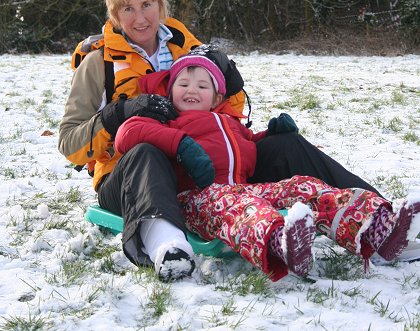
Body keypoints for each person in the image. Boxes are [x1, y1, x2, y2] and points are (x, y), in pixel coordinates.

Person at [58, 0, 399, 283]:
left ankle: (380, 220)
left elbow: (224, 118)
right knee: (146, 152)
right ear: (114, 15)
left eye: (145, 4)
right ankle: (167, 244)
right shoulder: (99, 63)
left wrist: (235, 97)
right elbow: (69, 143)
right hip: (131, 175)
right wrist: (116, 116)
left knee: (285, 144)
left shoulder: (188, 48)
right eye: (127, 9)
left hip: (203, 170)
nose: (139, 17)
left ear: (160, 4)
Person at [114, 54, 420, 281]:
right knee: (240, 206)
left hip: (243, 189)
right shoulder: (168, 120)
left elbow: (250, 146)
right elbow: (127, 133)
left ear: (217, 97)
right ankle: (280, 243)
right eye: (183, 83)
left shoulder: (230, 124)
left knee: (302, 186)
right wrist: (179, 142)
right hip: (198, 200)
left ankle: (376, 229)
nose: (191, 90)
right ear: (171, 92)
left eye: (201, 85)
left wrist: (272, 134)